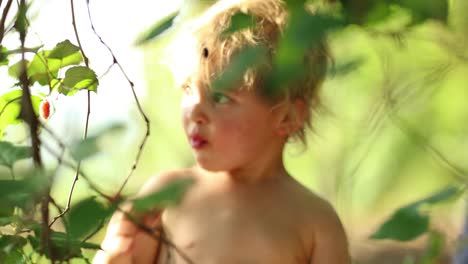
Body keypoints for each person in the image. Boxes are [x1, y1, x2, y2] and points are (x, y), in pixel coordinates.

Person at [93, 0, 350, 263]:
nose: (195, 112)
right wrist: (112, 256)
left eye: (221, 98)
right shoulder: (167, 195)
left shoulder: (315, 222)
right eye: (188, 89)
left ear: (287, 116)